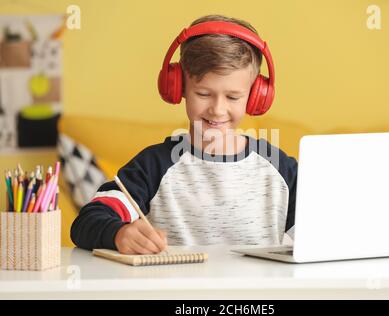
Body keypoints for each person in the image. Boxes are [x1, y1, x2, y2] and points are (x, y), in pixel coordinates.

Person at [71, 14, 298, 255]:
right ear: (179, 88)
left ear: (255, 96)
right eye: (203, 94)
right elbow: (86, 223)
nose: (217, 109)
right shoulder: (154, 167)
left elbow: (326, 232)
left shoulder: (281, 169)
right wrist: (118, 234)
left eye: (233, 97)